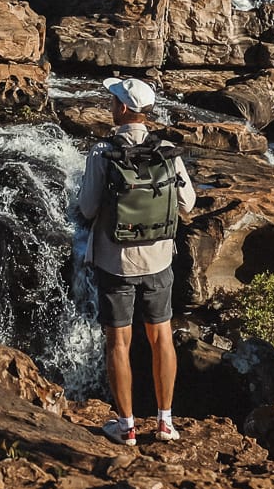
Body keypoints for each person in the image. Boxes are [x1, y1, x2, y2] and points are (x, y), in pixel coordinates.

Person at [77, 76, 196, 448]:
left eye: (113, 100)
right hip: (159, 258)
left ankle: (126, 425)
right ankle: (165, 422)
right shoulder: (168, 150)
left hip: (117, 262)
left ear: (125, 109)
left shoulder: (102, 152)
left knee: (119, 343)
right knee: (161, 336)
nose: (110, 105)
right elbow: (188, 203)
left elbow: (86, 208)